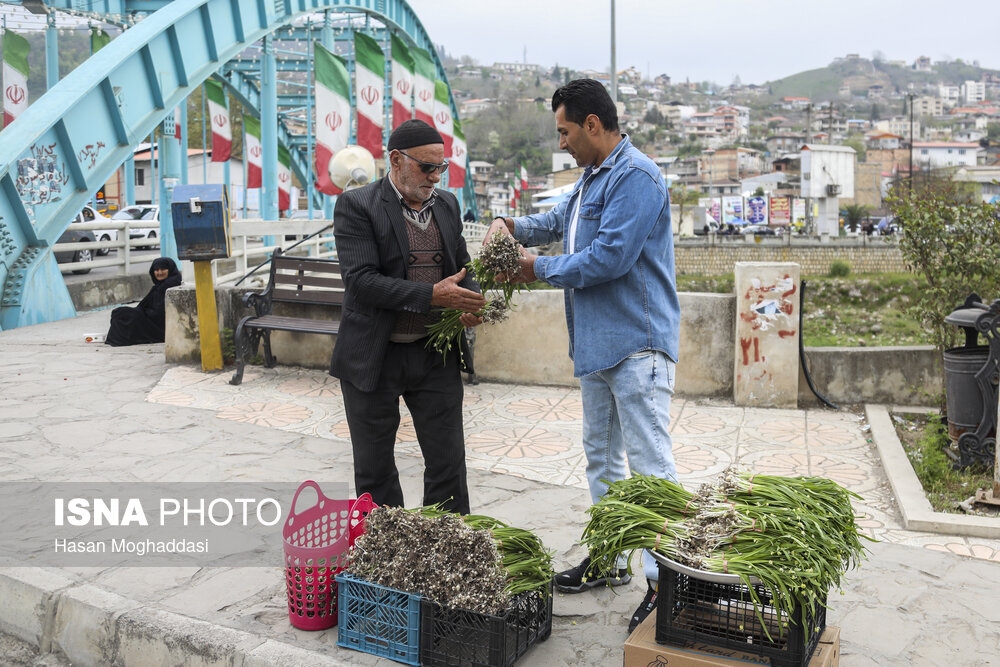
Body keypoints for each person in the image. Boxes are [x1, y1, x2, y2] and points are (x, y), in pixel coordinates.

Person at [487, 78, 680, 633]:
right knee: (600, 457)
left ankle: (663, 580)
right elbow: (555, 224)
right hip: (597, 347)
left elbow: (610, 257)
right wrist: (511, 227)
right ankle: (611, 558)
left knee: (650, 469)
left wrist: (534, 268)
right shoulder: (593, 177)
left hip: (636, 343)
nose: (563, 142)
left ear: (593, 124)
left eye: (566, 131)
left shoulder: (636, 177)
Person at [330, 119, 485, 515]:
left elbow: (463, 267)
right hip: (374, 357)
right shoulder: (357, 205)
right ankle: (386, 554)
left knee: (448, 463)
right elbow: (361, 282)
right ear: (396, 161)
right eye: (426, 167)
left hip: (434, 355)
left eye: (440, 168)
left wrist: (471, 303)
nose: (435, 177)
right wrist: (432, 295)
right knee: (375, 469)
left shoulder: (447, 205)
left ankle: (448, 548)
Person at [105, 257, 182, 346]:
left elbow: (159, 313)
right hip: (152, 320)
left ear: (170, 269)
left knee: (122, 314)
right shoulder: (161, 285)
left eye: (163, 269)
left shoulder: (168, 285)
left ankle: (117, 339)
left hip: (159, 327)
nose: (159, 272)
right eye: (156, 270)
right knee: (120, 313)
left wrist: (141, 313)